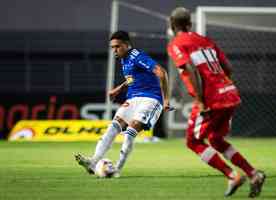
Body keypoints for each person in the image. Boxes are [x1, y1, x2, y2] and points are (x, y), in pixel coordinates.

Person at [167, 7, 266, 198]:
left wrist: (201, 102)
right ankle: (253, 174)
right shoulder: (205, 41)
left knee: (193, 141)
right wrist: (222, 85)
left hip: (211, 99)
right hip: (229, 93)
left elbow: (190, 69)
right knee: (215, 139)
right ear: (190, 24)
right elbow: (228, 67)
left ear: (172, 25)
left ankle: (232, 176)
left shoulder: (176, 43)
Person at [75, 30, 170, 177]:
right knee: (113, 126)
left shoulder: (137, 56)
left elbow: (161, 72)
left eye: (117, 47)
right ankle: (93, 162)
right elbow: (133, 78)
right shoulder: (124, 59)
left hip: (150, 99)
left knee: (130, 131)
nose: (114, 50)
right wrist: (118, 89)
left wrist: (166, 100)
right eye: (112, 47)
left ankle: (116, 169)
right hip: (132, 99)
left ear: (126, 45)